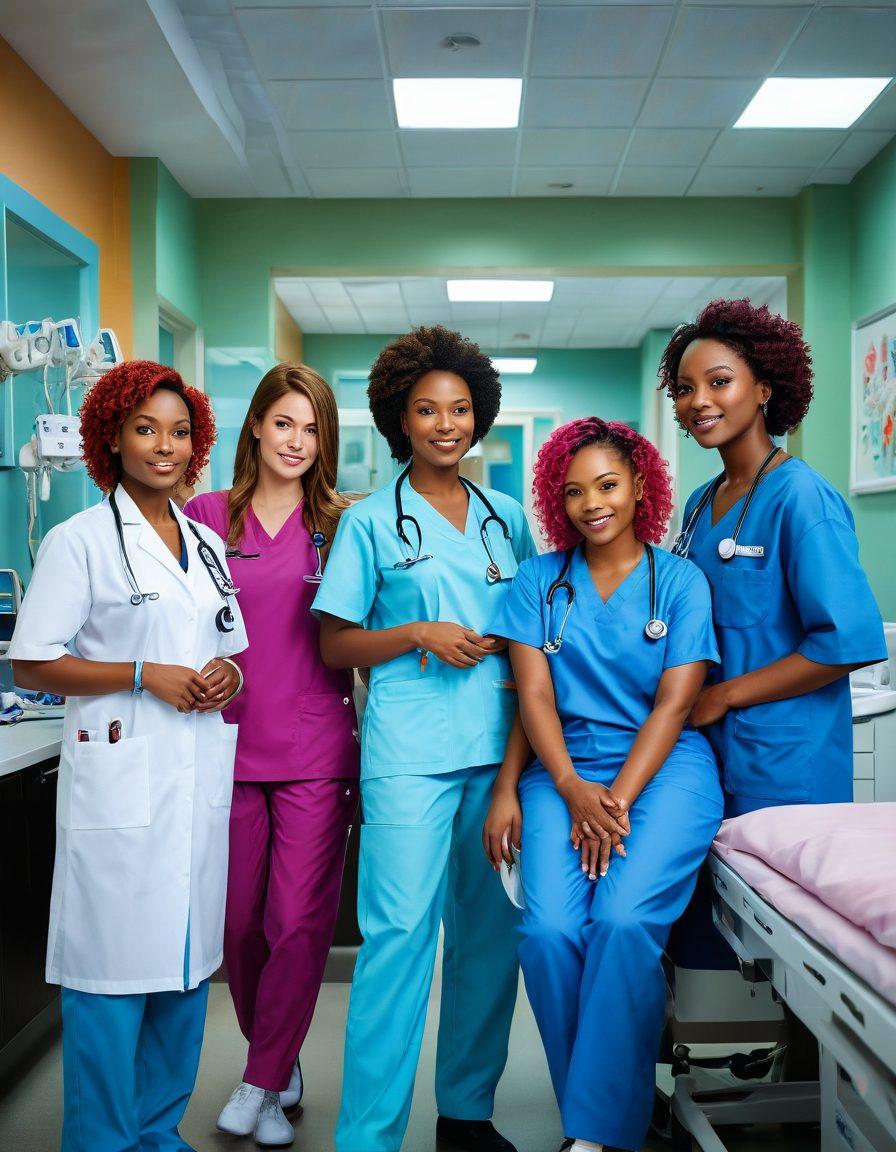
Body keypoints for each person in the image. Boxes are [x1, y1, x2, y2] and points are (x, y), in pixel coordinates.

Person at [9, 361, 247, 1152]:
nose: (165, 446)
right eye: (146, 429)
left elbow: (226, 648)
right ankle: (103, 1142)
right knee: (110, 981)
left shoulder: (206, 543)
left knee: (184, 973)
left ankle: (157, 1135)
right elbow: (32, 662)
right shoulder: (79, 541)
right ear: (112, 437)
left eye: (180, 431)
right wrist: (142, 674)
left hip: (193, 782)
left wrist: (228, 675)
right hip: (119, 780)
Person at [312, 326, 536, 1152]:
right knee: (399, 941)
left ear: (480, 418)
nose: (447, 424)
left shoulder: (508, 519)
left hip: (498, 752)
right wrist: (416, 633)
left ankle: (466, 1116)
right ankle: (368, 1136)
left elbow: (533, 635)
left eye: (461, 409)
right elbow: (334, 644)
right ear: (399, 420)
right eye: (428, 409)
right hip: (408, 754)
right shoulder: (369, 522)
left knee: (490, 941)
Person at [484, 417, 724, 1152]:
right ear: (556, 501)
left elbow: (675, 705)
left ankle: (594, 1137)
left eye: (608, 485)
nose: (592, 503)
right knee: (549, 933)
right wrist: (569, 787)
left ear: (641, 486)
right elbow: (534, 696)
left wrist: (611, 802)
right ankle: (606, 1116)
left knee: (621, 922)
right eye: (573, 491)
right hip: (563, 768)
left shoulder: (678, 581)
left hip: (665, 770)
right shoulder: (538, 581)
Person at [185, 364, 359, 1148]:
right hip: (224, 745)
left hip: (316, 749)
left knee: (296, 921)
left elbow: (363, 630)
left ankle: (259, 1080)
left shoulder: (343, 525)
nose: (296, 441)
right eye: (283, 422)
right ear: (256, 423)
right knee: (240, 926)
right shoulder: (204, 518)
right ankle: (278, 1061)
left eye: (312, 428)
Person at [659, 298, 886, 817]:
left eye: (719, 382)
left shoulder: (801, 498)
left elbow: (847, 642)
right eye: (685, 389)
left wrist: (724, 697)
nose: (699, 401)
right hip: (704, 755)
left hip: (784, 762)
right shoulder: (700, 504)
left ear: (764, 389)